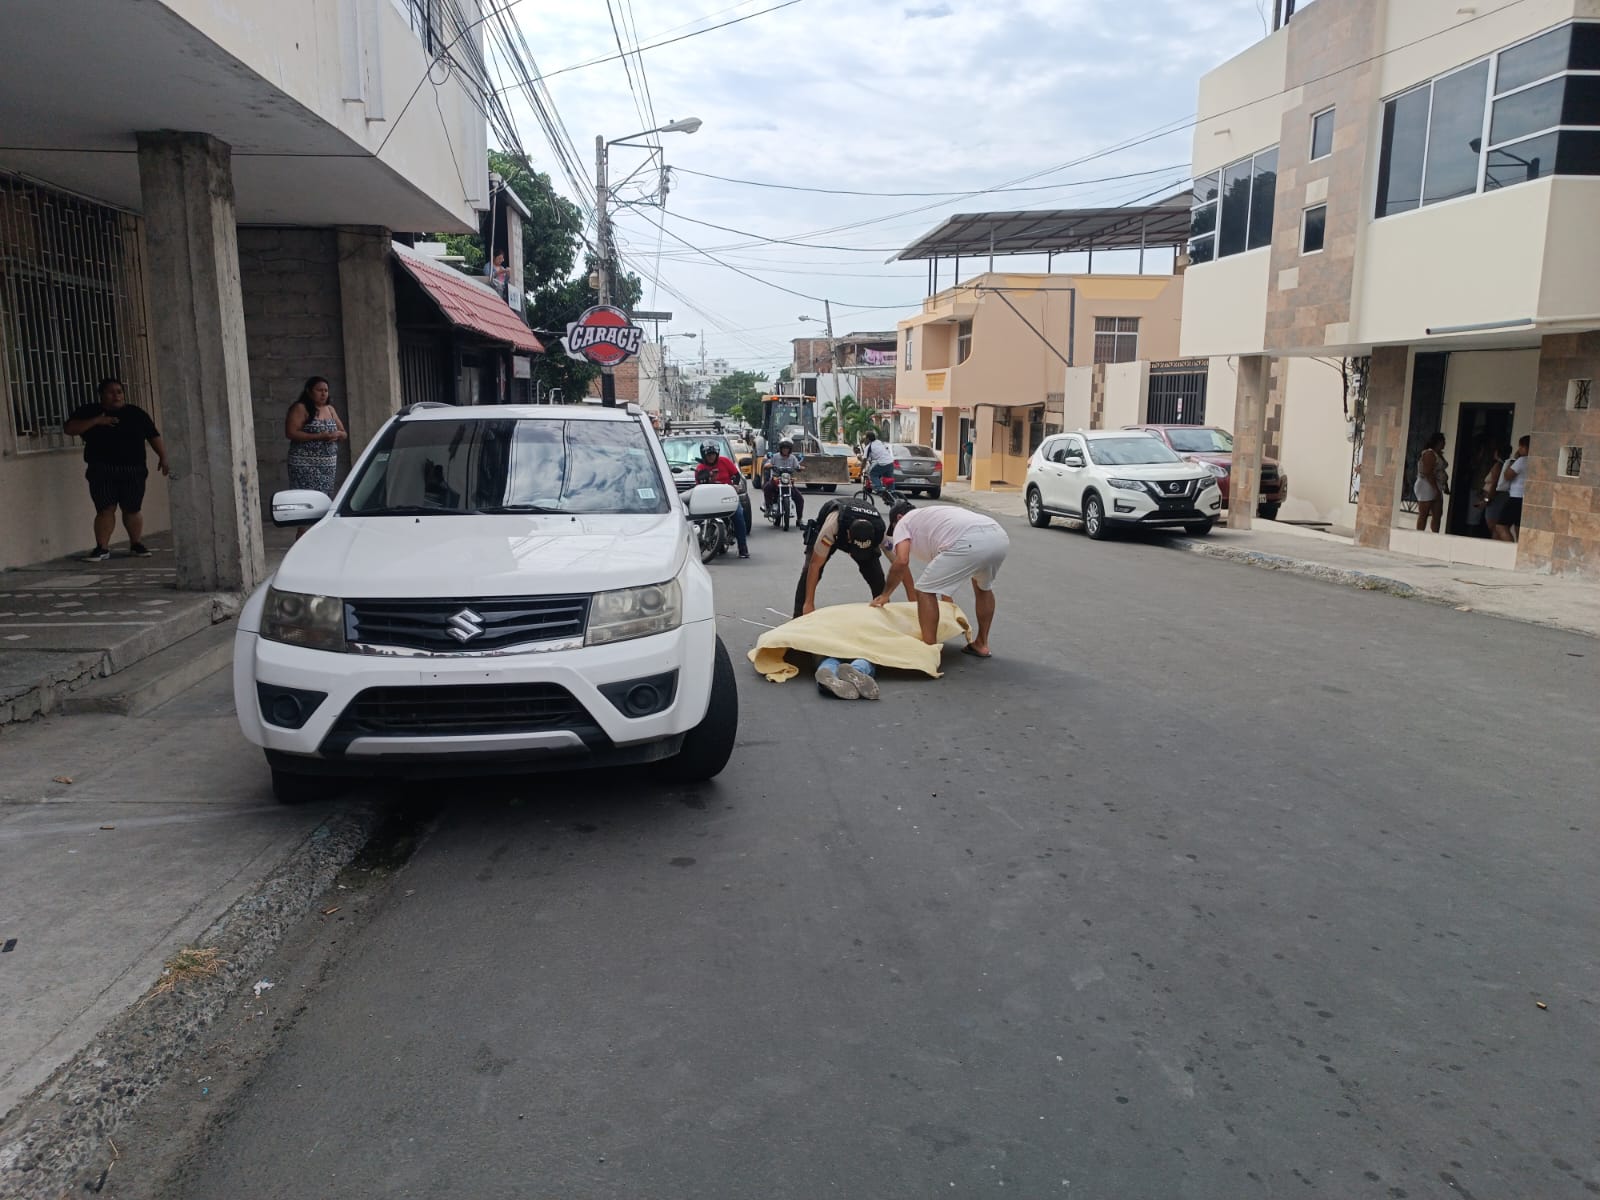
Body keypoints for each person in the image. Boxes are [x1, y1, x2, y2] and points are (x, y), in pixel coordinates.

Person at [872, 502, 1009, 658]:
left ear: (899, 517)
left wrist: (885, 595)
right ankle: (981, 644)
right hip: (998, 536)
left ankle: (929, 649)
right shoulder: (932, 518)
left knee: (924, 590)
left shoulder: (904, 522)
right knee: (982, 587)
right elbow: (945, 569)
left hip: (968, 540)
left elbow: (901, 561)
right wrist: (946, 598)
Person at [64, 377, 169, 561]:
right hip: (102, 468)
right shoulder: (90, 411)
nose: (116, 396)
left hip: (133, 468)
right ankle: (102, 548)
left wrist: (163, 456)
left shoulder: (136, 413)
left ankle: (136, 544)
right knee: (105, 508)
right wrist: (97, 421)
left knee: (132, 508)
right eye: (111, 392)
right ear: (102, 395)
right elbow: (70, 429)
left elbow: (153, 435)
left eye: (119, 392)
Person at [793, 496, 894, 617]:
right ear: (849, 536)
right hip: (832, 529)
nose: (852, 555)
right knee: (808, 571)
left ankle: (883, 613)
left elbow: (901, 562)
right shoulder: (832, 526)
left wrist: (912, 602)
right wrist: (809, 603)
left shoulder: (879, 533)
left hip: (861, 534)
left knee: (876, 575)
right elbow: (814, 565)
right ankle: (798, 616)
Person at [285, 377, 347, 537]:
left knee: (324, 500)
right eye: (319, 390)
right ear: (309, 391)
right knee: (306, 504)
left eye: (326, 390)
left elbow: (343, 432)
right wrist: (319, 436)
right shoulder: (301, 408)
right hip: (304, 464)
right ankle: (302, 537)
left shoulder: (330, 409)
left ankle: (321, 536)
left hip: (327, 465)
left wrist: (337, 434)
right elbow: (291, 433)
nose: (323, 394)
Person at [694, 441, 749, 558]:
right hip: (709, 500)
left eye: (713, 454)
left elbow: (736, 475)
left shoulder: (725, 461)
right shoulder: (700, 468)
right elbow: (699, 482)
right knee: (694, 519)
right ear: (704, 455)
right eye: (709, 455)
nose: (711, 457)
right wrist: (709, 477)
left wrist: (734, 485)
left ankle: (743, 548)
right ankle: (693, 547)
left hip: (727, 498)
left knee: (738, 515)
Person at [1490, 435, 1531, 542]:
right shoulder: (1535, 461)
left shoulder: (1521, 461)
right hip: (1526, 498)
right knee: (1518, 528)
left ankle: (1510, 547)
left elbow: (1507, 476)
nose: (1519, 449)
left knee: (1501, 526)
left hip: (1516, 497)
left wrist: (1514, 460)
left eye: (1521, 447)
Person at [763, 438, 806, 523]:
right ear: (781, 449)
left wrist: (800, 468)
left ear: (790, 449)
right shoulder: (775, 456)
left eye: (787, 448)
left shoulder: (793, 458)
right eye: (784, 448)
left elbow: (797, 466)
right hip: (776, 479)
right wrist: (769, 465)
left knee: (800, 499)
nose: (785, 450)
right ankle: (768, 508)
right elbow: (768, 464)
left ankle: (799, 519)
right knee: (767, 488)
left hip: (788, 482)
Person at [1414, 432, 1448, 533]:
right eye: (1443, 441)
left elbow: (1441, 471)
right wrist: (1435, 489)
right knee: (1424, 513)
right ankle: (1419, 534)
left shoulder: (1438, 454)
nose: (1444, 443)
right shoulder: (1429, 453)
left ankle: (1434, 535)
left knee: (1437, 513)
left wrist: (1444, 485)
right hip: (1426, 485)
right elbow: (1428, 473)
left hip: (1437, 484)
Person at [861, 430, 894, 497]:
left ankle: (879, 489)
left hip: (882, 463)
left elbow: (864, 460)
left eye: (865, 438)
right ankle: (892, 493)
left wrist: (861, 470)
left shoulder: (868, 447)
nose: (864, 440)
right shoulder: (879, 442)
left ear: (868, 439)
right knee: (888, 478)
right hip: (890, 462)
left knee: (872, 473)